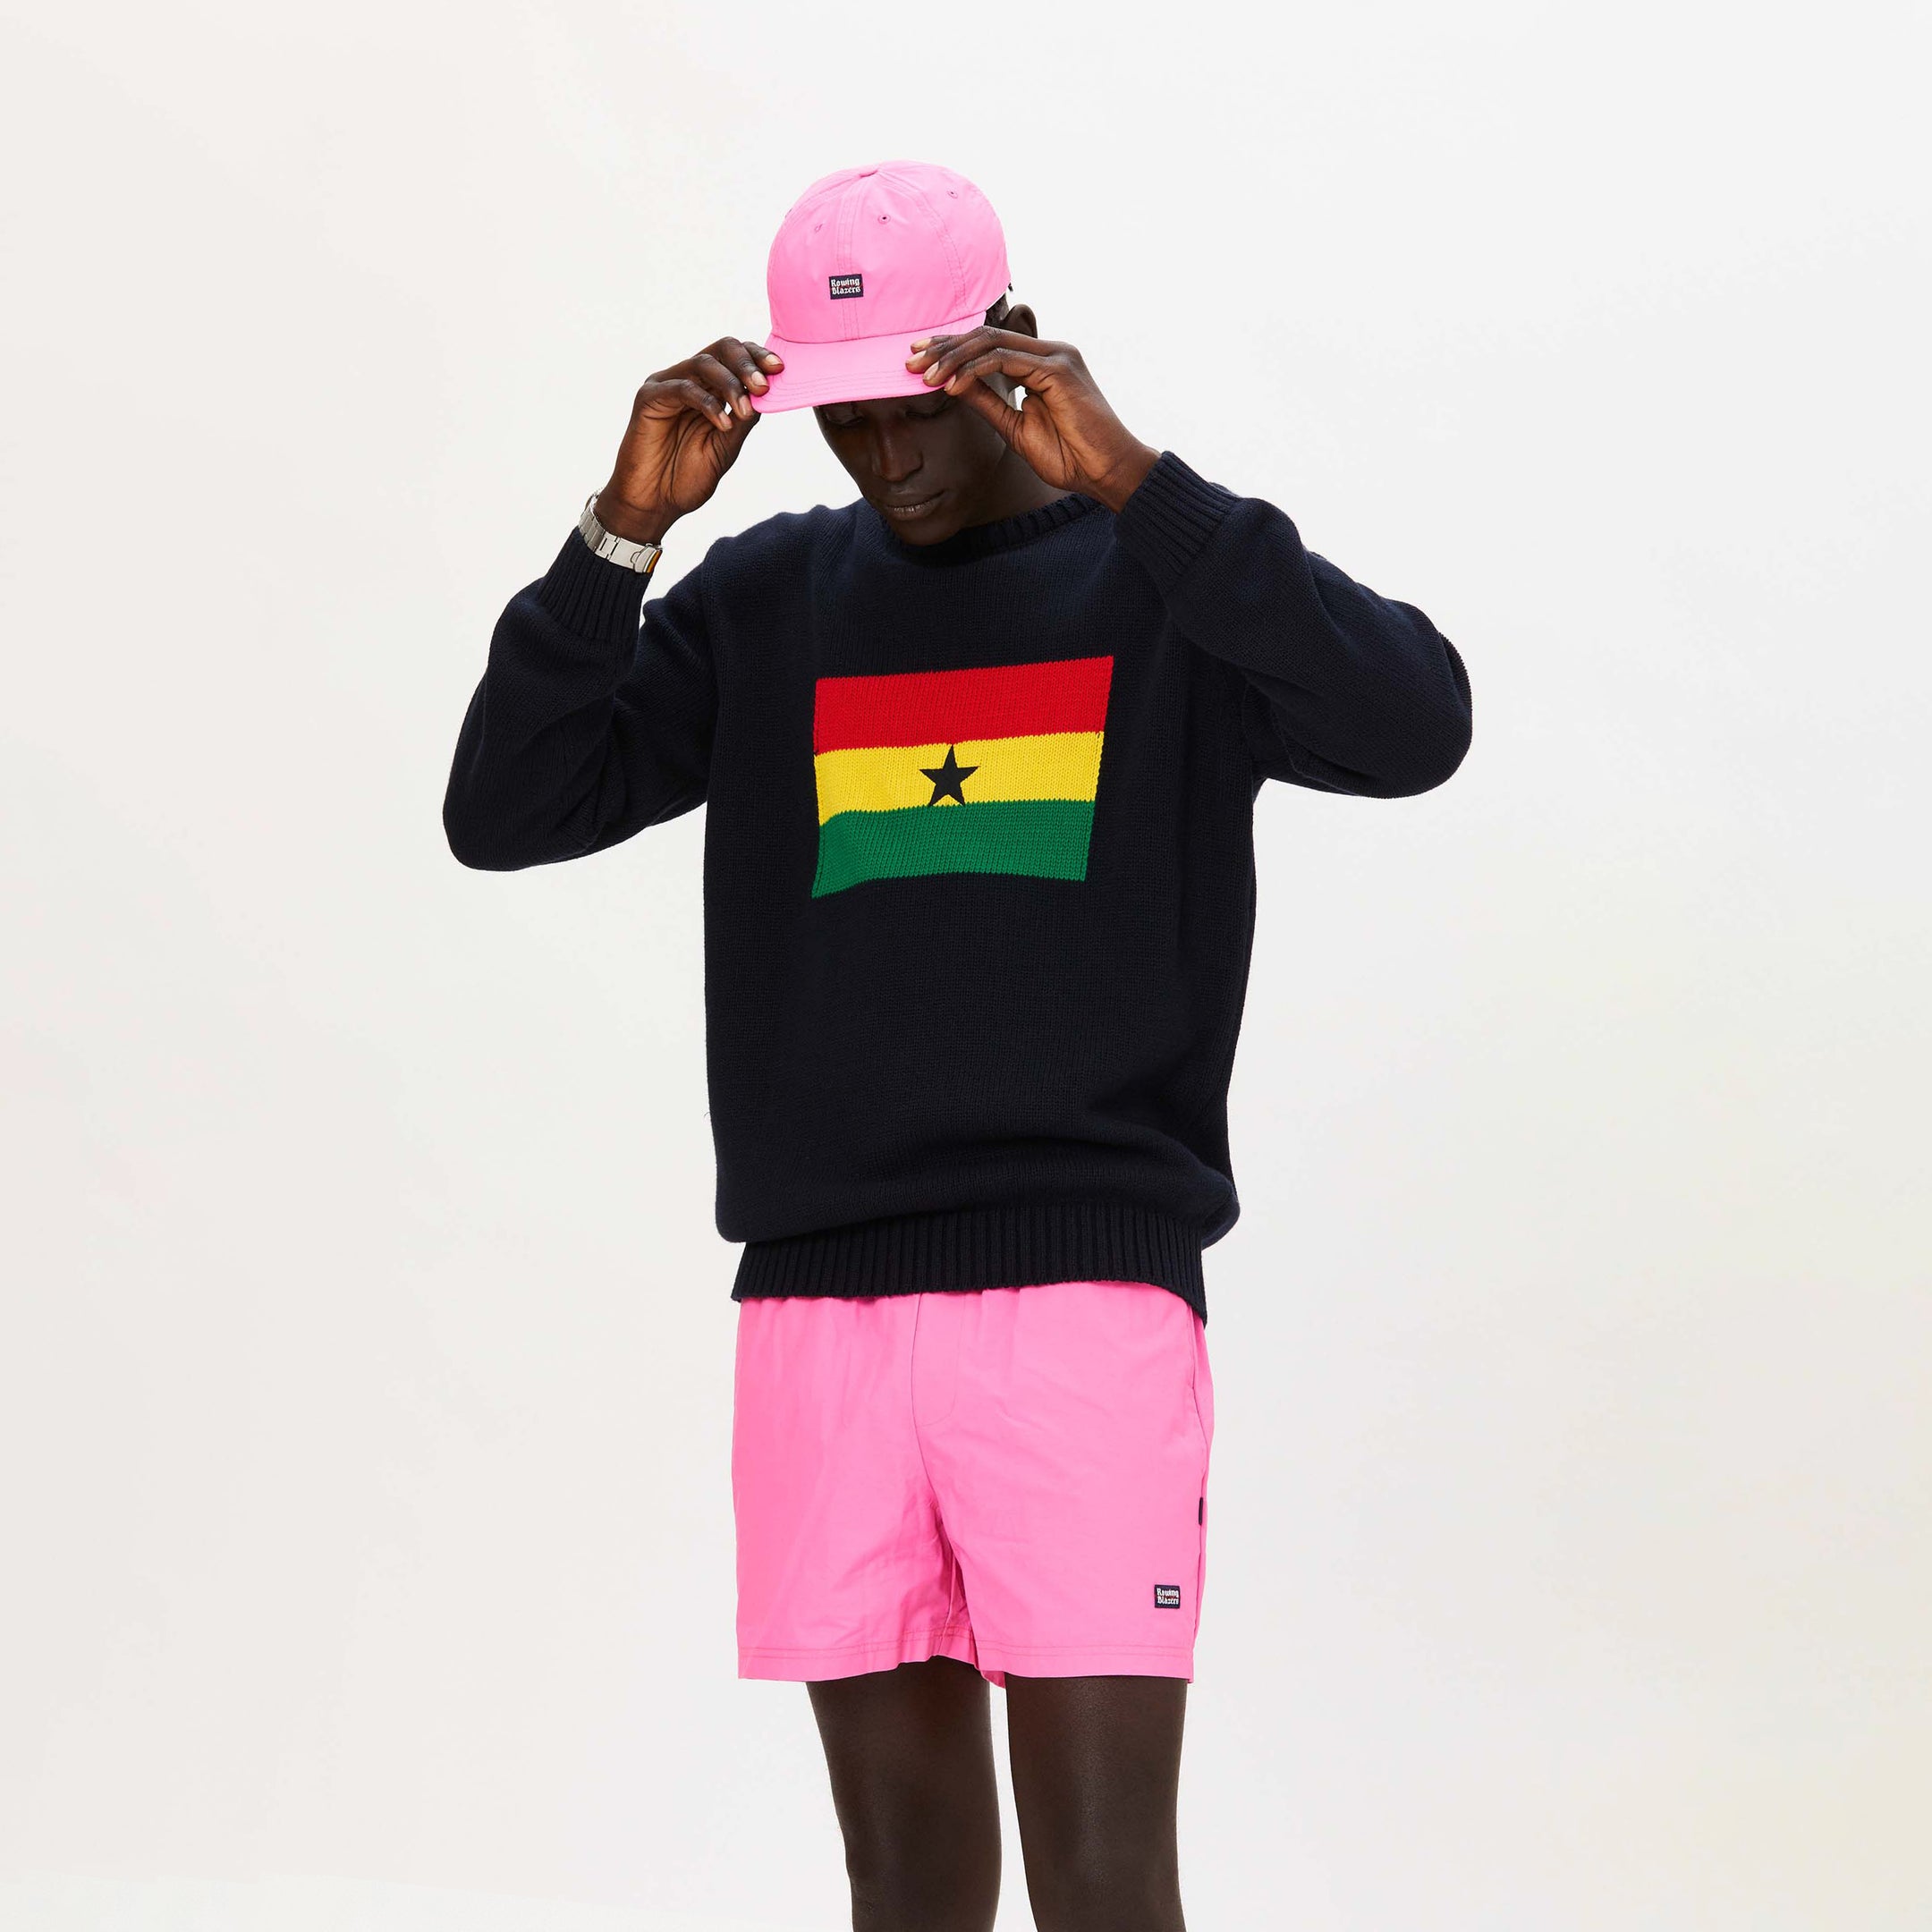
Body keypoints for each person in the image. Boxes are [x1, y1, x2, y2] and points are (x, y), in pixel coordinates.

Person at [443, 158, 1472, 1932]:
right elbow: (507, 810)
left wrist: (1141, 486)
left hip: (1082, 1306)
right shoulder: (768, 601)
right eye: (840, 412)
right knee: (905, 1884)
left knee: (1101, 1881)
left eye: (909, 401)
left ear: (1008, 348)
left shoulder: (1166, 587)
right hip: (821, 1312)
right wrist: (620, 535)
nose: (880, 452)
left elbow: (1414, 725)